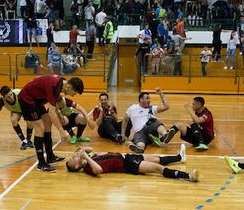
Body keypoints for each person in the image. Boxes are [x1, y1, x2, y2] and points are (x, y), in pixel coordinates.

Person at [17, 74, 85, 172]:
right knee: (40, 128)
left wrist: (60, 115)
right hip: (27, 99)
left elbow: (54, 104)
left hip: (36, 101)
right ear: (69, 87)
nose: (73, 95)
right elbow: (52, 112)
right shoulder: (53, 85)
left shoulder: (60, 84)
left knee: (47, 121)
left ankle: (50, 156)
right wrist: (62, 132)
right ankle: (41, 163)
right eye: (74, 93)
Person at [65, 147, 198, 182]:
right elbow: (98, 170)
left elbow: (89, 149)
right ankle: (188, 176)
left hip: (126, 157)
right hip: (128, 165)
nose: (74, 157)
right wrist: (86, 157)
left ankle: (180, 157)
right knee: (158, 168)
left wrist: (81, 150)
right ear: (77, 167)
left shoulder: (90, 158)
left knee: (155, 159)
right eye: (73, 159)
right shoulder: (89, 167)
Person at [124, 89, 174, 153]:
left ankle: (165, 136)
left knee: (154, 121)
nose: (149, 100)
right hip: (139, 132)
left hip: (151, 130)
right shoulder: (132, 108)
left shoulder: (152, 108)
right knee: (140, 143)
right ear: (141, 99)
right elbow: (125, 121)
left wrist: (161, 94)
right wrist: (123, 134)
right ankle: (140, 148)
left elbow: (166, 106)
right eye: (147, 98)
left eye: (149, 98)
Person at [0, 86, 34, 150]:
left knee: (30, 123)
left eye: (11, 94)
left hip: (25, 108)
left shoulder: (20, 94)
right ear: (4, 97)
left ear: (12, 91)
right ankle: (24, 141)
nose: (11, 97)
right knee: (13, 120)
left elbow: (31, 102)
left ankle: (28, 140)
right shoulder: (2, 101)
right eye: (8, 97)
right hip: (16, 111)